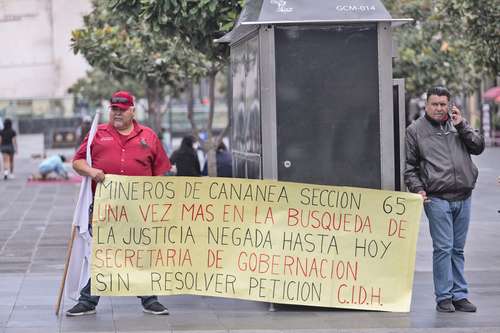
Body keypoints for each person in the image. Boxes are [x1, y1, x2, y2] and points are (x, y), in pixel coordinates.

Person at [67, 91, 171, 316]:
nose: (117, 113)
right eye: (114, 108)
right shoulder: (97, 133)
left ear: (132, 111)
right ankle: (88, 300)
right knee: (102, 253)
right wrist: (92, 171)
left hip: (139, 209)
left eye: (122, 109)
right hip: (106, 209)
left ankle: (149, 298)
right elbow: (77, 161)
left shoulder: (149, 136)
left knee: (141, 253)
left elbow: (161, 173)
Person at [404, 86, 485, 313]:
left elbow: (478, 147)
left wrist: (462, 126)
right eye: (435, 104)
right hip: (437, 198)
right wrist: (418, 189)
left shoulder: (458, 125)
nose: (439, 108)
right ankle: (444, 297)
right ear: (427, 105)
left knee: (457, 249)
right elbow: (409, 167)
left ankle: (460, 295)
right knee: (443, 248)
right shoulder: (415, 130)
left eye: (443, 104)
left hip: (464, 196)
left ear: (449, 105)